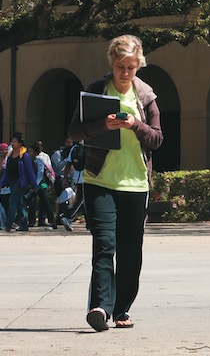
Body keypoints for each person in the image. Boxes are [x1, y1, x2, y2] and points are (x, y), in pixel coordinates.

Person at [67, 34, 164, 333]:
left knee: (130, 250)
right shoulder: (96, 92)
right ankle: (100, 307)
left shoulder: (146, 97)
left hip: (135, 184)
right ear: (112, 62)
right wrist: (102, 125)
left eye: (131, 67)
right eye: (120, 66)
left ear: (139, 66)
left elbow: (158, 139)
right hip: (99, 180)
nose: (125, 72)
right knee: (104, 245)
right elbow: (74, 132)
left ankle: (122, 309)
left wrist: (137, 125)